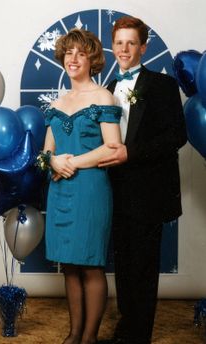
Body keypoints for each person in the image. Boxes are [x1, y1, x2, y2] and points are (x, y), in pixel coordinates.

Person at [97, 16, 187, 344]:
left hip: (149, 191)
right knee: (122, 264)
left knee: (143, 268)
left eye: (131, 43)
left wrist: (131, 154)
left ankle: (139, 336)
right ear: (113, 46)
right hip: (114, 190)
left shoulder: (162, 86)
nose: (124, 48)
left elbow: (177, 135)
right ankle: (125, 330)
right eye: (119, 42)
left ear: (143, 47)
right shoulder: (105, 90)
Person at [42, 28, 124, 344]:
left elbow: (113, 148)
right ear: (62, 57)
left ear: (92, 59)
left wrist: (72, 162)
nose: (73, 58)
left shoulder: (104, 97)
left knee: (90, 265)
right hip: (61, 189)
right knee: (70, 267)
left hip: (91, 190)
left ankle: (89, 337)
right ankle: (73, 334)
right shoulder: (57, 103)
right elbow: (45, 152)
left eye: (81, 53)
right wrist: (51, 162)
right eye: (68, 52)